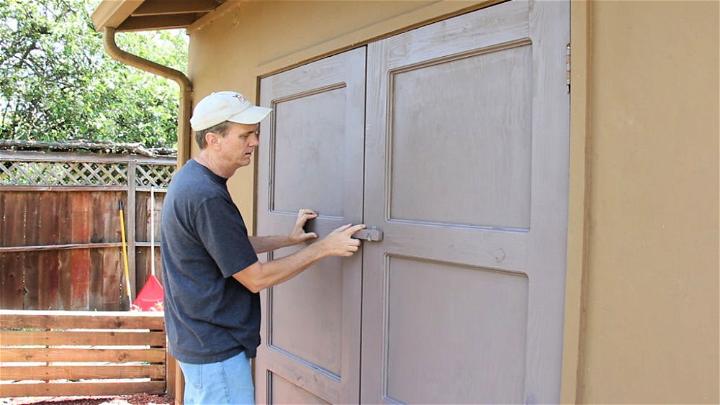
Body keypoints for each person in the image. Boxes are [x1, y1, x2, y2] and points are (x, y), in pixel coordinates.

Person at [160, 91, 365, 404]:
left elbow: (227, 248)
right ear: (213, 139)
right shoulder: (206, 197)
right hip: (215, 352)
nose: (254, 142)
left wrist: (289, 239)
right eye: (245, 135)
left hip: (199, 343)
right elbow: (254, 278)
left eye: (255, 134)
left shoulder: (191, 180)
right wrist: (324, 248)